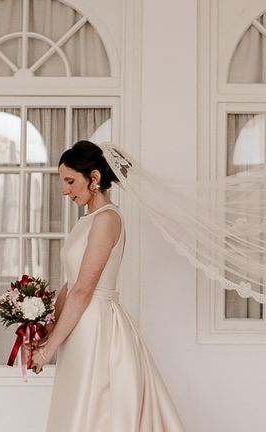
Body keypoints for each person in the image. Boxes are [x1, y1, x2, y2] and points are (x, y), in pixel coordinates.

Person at [29, 140, 184, 431]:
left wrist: (49, 350)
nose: (65, 190)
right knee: (77, 403)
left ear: (95, 178)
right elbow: (70, 283)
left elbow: (84, 290)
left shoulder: (107, 220)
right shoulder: (87, 220)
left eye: (70, 181)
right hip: (79, 323)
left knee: (97, 409)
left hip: (96, 326)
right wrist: (48, 330)